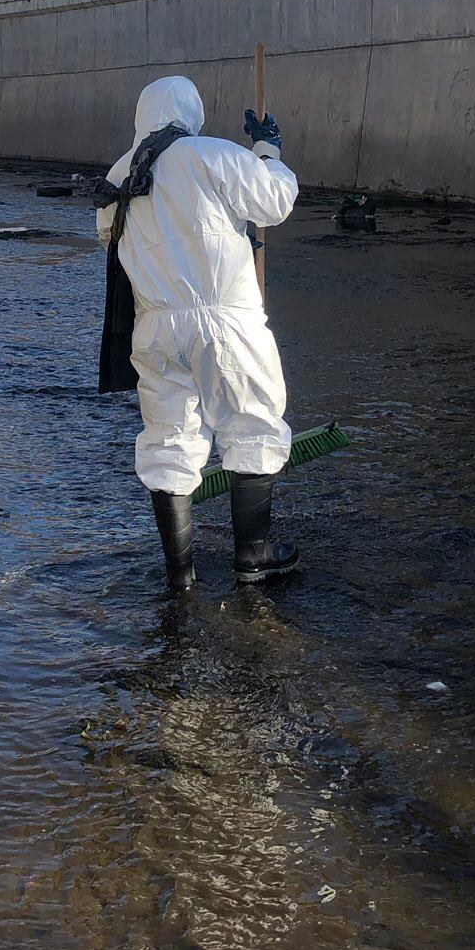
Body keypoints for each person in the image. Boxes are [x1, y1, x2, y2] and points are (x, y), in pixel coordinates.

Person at [94, 76, 299, 590]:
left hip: (156, 327)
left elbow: (115, 245)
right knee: (251, 423)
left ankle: (179, 574)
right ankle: (254, 554)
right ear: (192, 112)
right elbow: (273, 201)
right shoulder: (206, 153)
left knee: (168, 440)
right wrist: (268, 149)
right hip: (225, 318)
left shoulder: (121, 175)